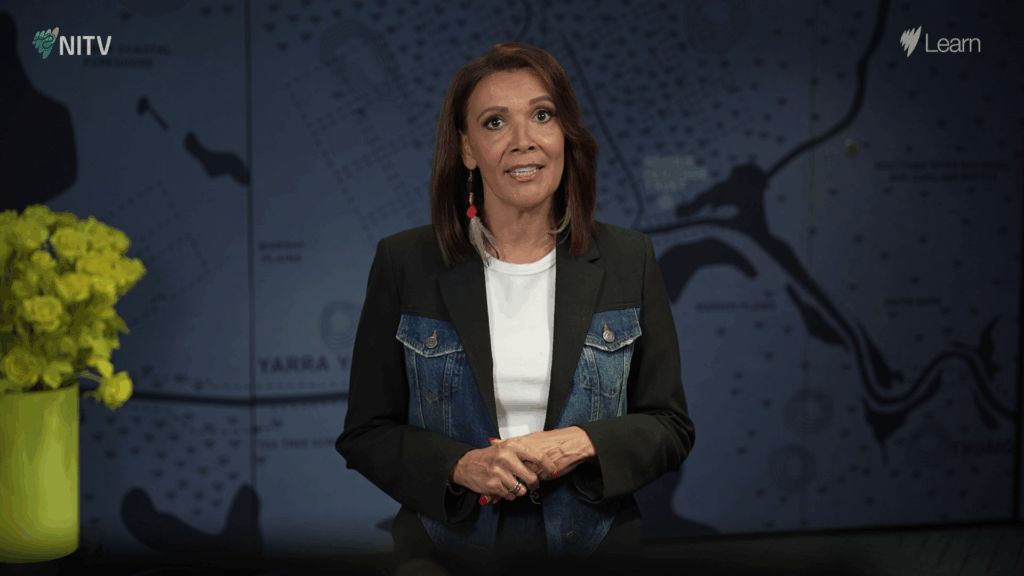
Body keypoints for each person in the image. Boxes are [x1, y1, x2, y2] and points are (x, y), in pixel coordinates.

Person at [335, 42, 695, 575]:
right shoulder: (404, 263)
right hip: (447, 552)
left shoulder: (629, 258)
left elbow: (670, 426)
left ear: (565, 134)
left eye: (542, 116)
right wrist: (461, 465)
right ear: (467, 148)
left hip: (594, 551)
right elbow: (366, 433)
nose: (524, 140)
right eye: (496, 122)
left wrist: (582, 442)